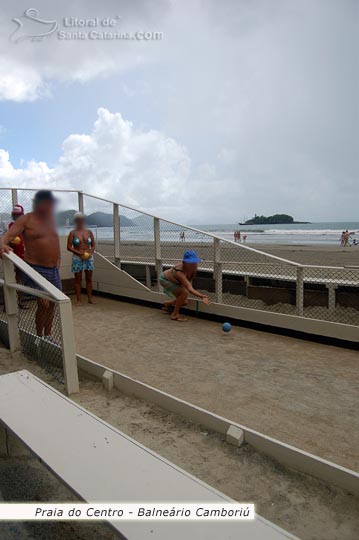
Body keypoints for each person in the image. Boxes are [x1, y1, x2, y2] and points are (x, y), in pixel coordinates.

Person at [0, 190, 61, 339]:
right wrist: (2, 245)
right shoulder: (26, 220)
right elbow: (8, 235)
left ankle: (48, 335)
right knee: (44, 303)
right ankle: (39, 336)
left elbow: (55, 242)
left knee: (53, 304)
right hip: (36, 268)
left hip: (53, 269)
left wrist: (58, 260)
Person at [159, 250, 209, 322]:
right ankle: (174, 314)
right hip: (165, 279)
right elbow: (189, 288)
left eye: (194, 262)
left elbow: (188, 281)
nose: (193, 264)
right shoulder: (180, 272)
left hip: (176, 281)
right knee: (184, 293)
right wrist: (201, 296)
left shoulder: (194, 266)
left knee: (184, 302)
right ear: (184, 263)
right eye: (190, 262)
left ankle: (168, 304)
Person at [67, 212, 95, 305]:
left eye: (81, 219)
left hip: (88, 257)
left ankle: (90, 298)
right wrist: (79, 253)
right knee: (78, 279)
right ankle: (79, 300)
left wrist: (90, 252)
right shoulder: (72, 233)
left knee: (89, 278)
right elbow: (69, 246)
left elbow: (93, 245)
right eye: (78, 220)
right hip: (77, 257)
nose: (80, 221)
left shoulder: (89, 232)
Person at [8, 204, 27, 309]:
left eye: (18, 215)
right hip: (13, 257)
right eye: (15, 215)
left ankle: (19, 301)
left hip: (23, 256)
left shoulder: (25, 227)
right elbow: (5, 240)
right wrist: (10, 242)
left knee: (21, 280)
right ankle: (10, 304)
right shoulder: (10, 225)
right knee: (12, 280)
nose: (17, 216)